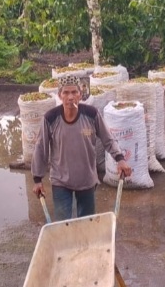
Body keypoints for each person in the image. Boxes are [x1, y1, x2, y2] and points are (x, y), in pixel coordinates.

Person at [31, 74, 133, 221]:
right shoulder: (51, 118)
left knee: (86, 224)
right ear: (59, 95)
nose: (70, 97)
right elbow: (41, 148)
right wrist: (37, 179)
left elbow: (108, 139)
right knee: (63, 225)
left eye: (74, 92)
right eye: (66, 93)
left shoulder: (91, 114)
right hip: (60, 181)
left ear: (80, 94)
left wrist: (120, 159)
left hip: (86, 179)